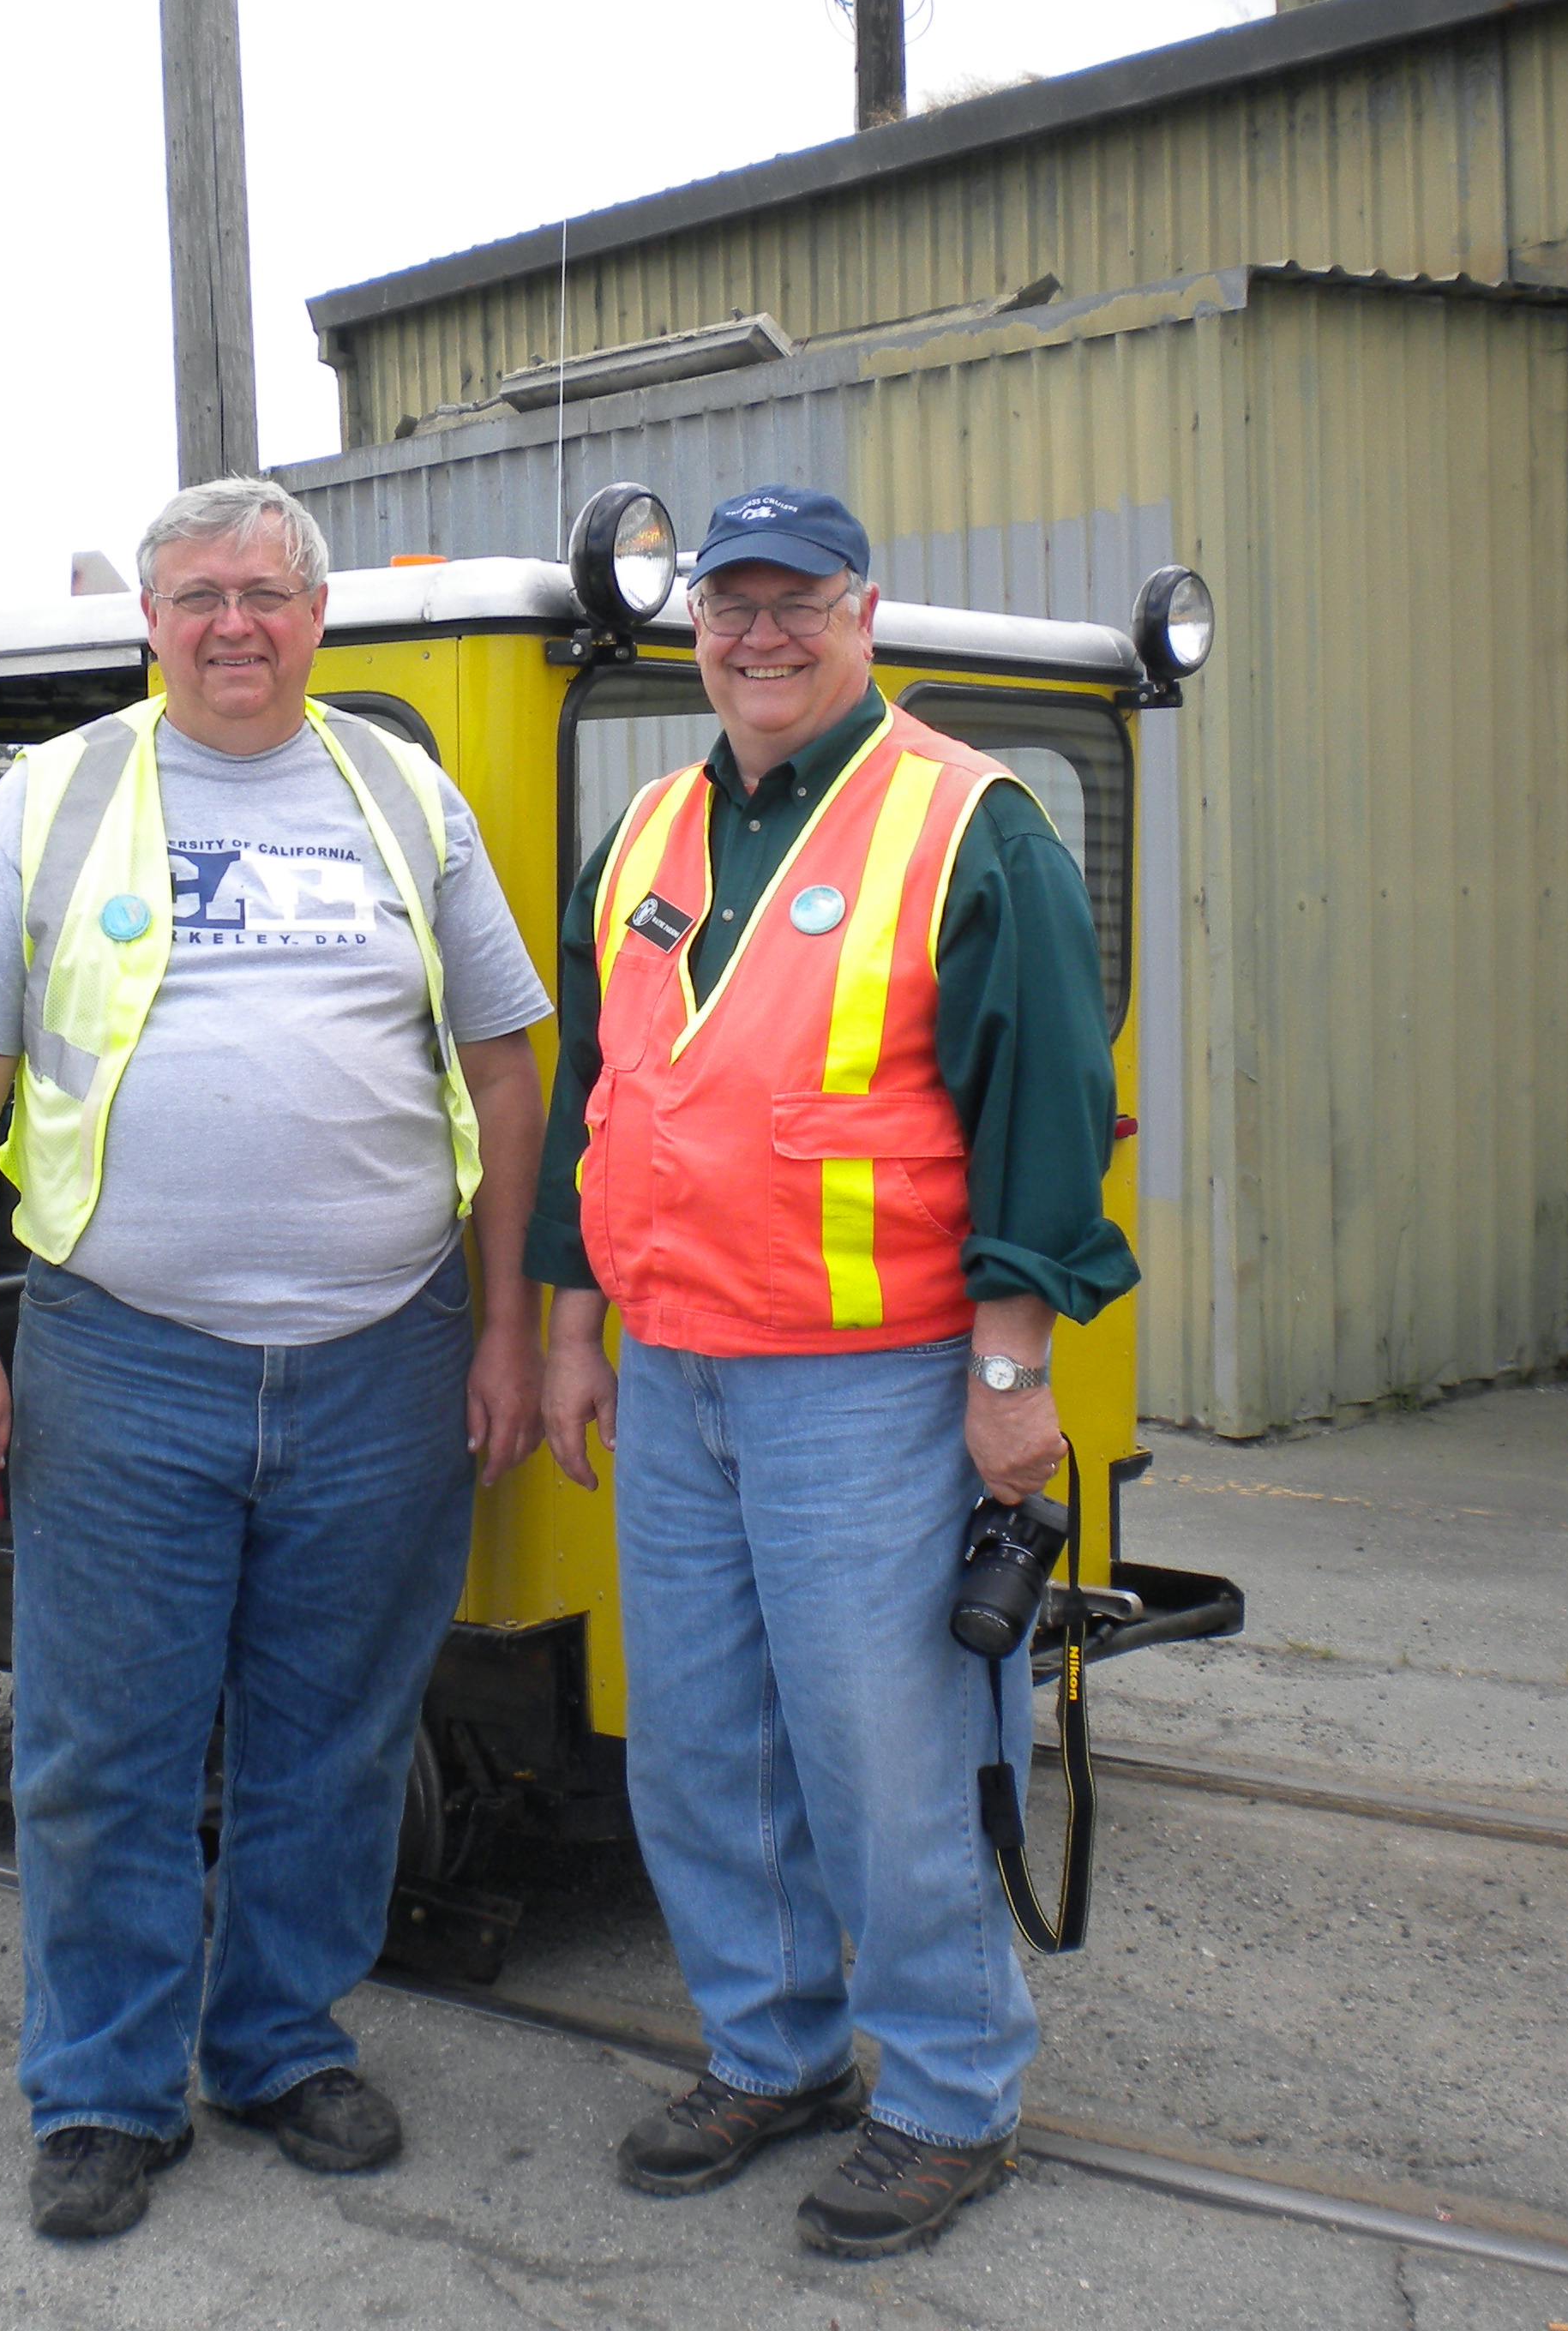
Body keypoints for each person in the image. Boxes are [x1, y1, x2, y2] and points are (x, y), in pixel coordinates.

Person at [0, 477, 551, 2243]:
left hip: (384, 1359)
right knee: (107, 1747)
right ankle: (103, 2090)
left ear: (317, 617)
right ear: (152, 625)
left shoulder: (404, 799)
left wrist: (500, 1324)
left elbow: (504, 1064)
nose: (233, 624)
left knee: (332, 1738)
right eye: (198, 597)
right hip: (130, 1358)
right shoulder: (55, 798)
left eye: (265, 591)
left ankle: (275, 2043)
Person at [529, 485, 1137, 2259]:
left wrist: (1010, 1371)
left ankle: (951, 2094)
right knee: (703, 1747)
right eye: (732, 604)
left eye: (798, 600)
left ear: (866, 610)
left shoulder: (971, 826)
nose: (760, 634)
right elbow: (598, 1098)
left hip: (872, 1385)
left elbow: (1045, 1116)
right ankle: (769, 2048)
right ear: (694, 625)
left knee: (888, 1751)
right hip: (678, 1371)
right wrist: (575, 1323)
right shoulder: (646, 829)